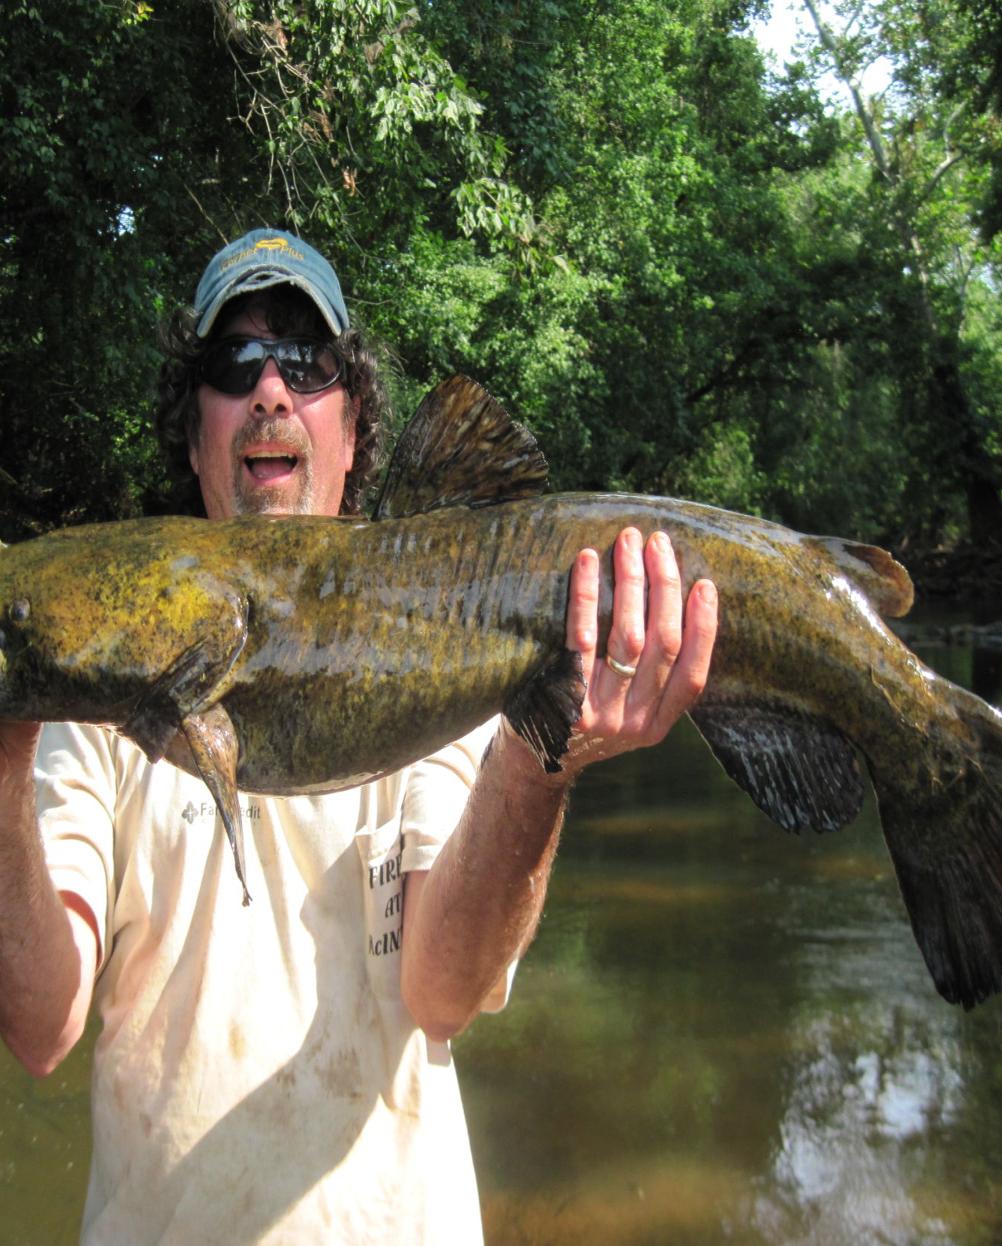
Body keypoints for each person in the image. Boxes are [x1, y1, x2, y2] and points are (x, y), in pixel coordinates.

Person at [0, 230, 718, 1243]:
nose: (271, 391)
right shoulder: (102, 690)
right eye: (232, 364)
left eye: (307, 363)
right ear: (193, 431)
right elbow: (41, 1026)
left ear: (352, 429)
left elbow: (443, 989)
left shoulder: (440, 629)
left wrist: (538, 751)